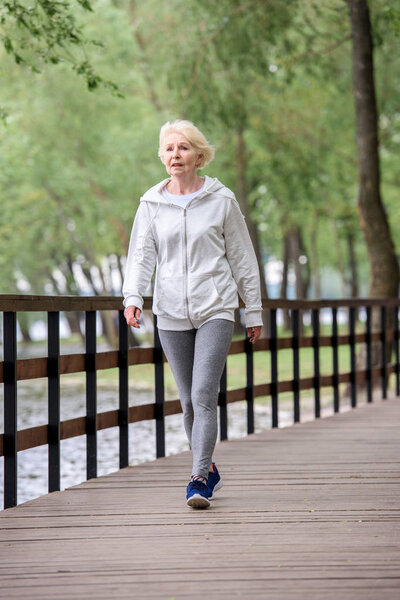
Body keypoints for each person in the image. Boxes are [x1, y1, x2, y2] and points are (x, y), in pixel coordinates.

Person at [123, 120, 263, 509]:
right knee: (187, 401)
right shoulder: (151, 203)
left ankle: (198, 477)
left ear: (199, 156)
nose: (175, 155)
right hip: (169, 313)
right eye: (168, 149)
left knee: (204, 394)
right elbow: (141, 256)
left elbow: (243, 259)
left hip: (216, 308)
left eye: (183, 148)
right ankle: (209, 466)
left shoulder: (222, 200)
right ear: (162, 157)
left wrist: (253, 311)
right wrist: (133, 297)